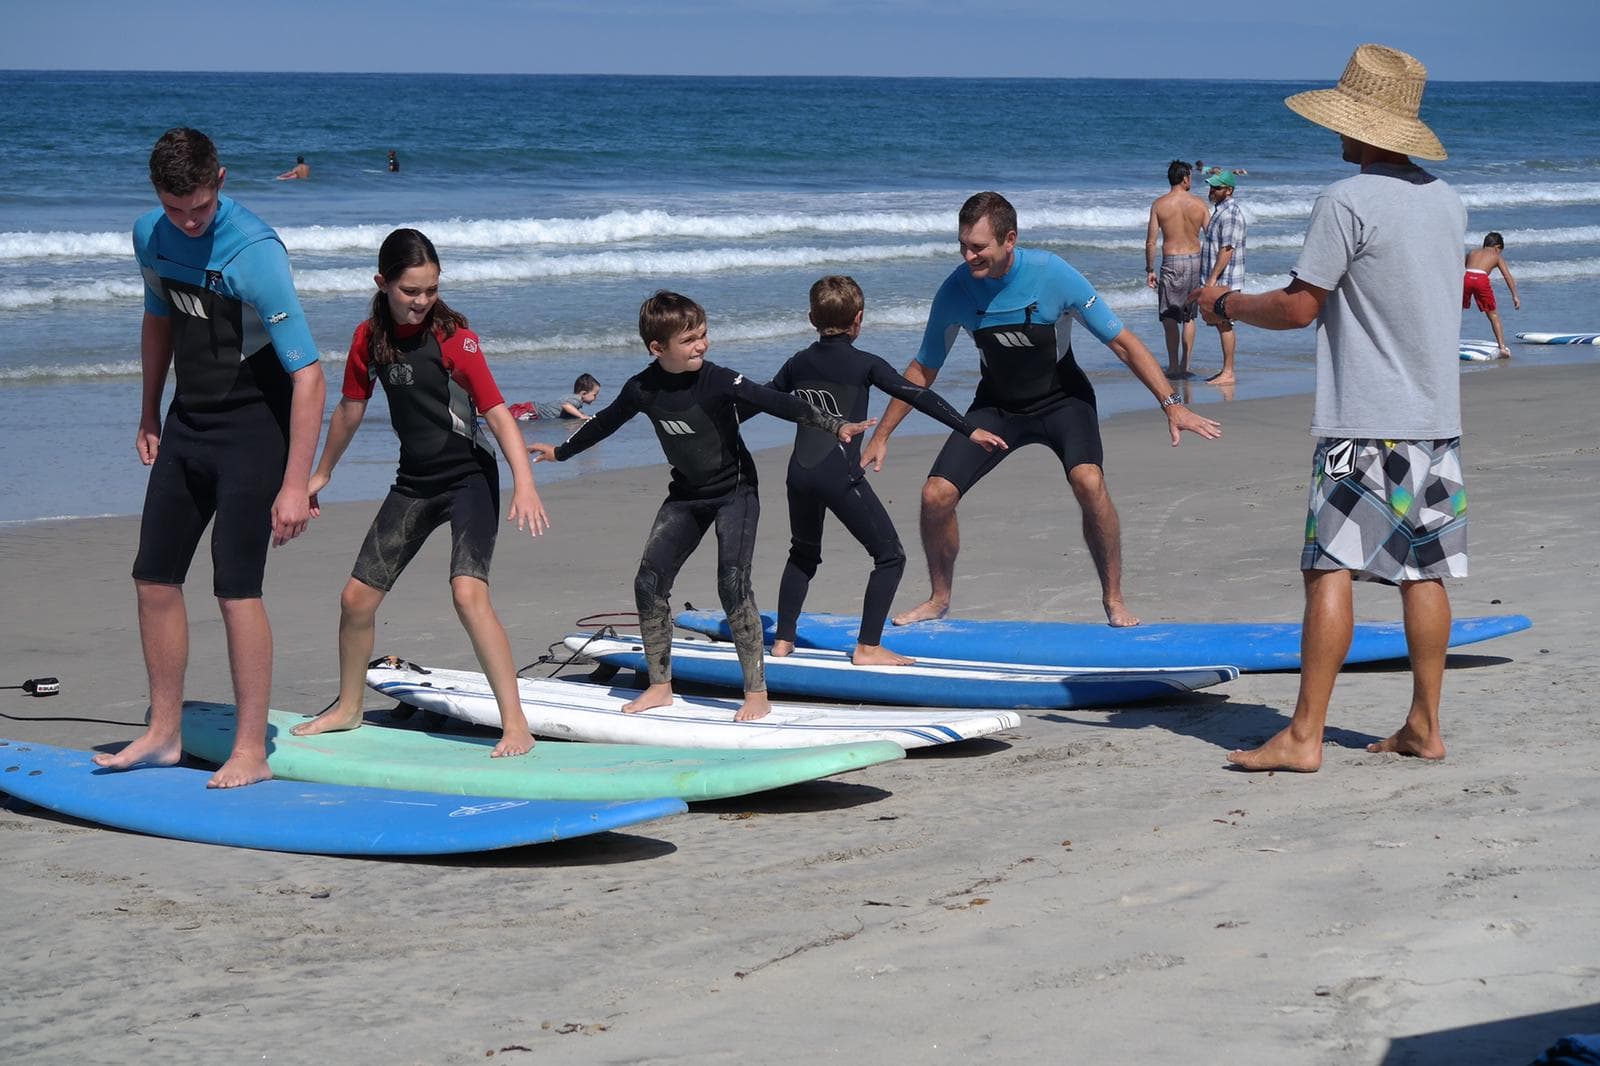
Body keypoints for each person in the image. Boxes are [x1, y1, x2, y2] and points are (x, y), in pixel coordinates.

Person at [1194, 43, 1468, 772]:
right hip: (1435, 420)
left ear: (1361, 125)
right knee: (1424, 572)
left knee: (1329, 568)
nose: (1335, 130)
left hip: (1362, 421)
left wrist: (1225, 302)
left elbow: (1297, 308)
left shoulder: (1346, 200)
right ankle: (1425, 725)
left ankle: (1305, 735)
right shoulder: (1446, 200)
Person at [860, 191, 1222, 629]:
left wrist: (1172, 405)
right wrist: (882, 434)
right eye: (963, 245)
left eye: (978, 247)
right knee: (935, 495)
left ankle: (1114, 598)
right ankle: (939, 598)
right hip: (997, 406)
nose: (968, 256)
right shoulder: (956, 289)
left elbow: (1122, 343)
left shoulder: (1052, 274)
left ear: (1009, 240)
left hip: (1062, 399)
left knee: (1089, 481)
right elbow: (923, 368)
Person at [94, 127, 325, 788]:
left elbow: (309, 375)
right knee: (153, 578)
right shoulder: (150, 234)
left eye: (199, 207)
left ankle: (251, 750)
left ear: (219, 181)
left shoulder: (256, 252)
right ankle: (164, 734)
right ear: (156, 194)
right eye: (175, 209)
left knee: (235, 589)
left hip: (254, 427)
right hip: (188, 420)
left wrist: (295, 483)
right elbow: (157, 319)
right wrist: (148, 410)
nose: (189, 222)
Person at [530, 291, 873, 721]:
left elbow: (777, 401)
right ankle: (660, 686)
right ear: (658, 348)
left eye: (704, 335)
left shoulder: (718, 380)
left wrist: (834, 425)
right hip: (687, 494)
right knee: (648, 583)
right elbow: (604, 423)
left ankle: (756, 693)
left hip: (735, 491)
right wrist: (560, 453)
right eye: (690, 339)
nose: (702, 345)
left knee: (732, 584)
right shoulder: (642, 388)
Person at [291, 229, 549, 757]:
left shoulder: (456, 338)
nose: (422, 300)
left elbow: (497, 413)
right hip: (414, 482)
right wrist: (322, 473)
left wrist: (524, 482)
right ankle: (348, 707)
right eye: (411, 290)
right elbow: (350, 409)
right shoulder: (369, 338)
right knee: (355, 599)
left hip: (469, 478)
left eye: (431, 289)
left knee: (467, 593)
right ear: (382, 283)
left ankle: (516, 723)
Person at [767, 276, 1007, 666]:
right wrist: (969, 429)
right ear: (859, 319)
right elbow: (917, 394)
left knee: (803, 553)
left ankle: (782, 640)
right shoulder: (865, 363)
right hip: (837, 475)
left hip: (799, 475)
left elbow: (761, 397)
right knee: (889, 556)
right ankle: (868, 647)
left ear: (812, 318)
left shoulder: (797, 362)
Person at [1145, 160, 1210, 379]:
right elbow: (1211, 236)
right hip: (1195, 260)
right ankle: (1185, 365)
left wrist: (1149, 269)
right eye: (1190, 176)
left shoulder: (1159, 204)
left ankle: (1173, 366)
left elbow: (1151, 242)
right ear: (1184, 178)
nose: (1191, 180)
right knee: (1189, 316)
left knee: (1170, 315)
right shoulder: (1199, 204)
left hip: (1172, 261)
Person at [1199, 169, 1246, 386]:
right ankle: (1226, 370)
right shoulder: (1220, 211)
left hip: (1225, 280)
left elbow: (1227, 250)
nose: (1212, 191)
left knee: (1225, 324)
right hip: (1220, 278)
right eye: (1211, 187)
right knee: (1221, 324)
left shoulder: (1230, 214)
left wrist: (1211, 280)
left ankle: (1228, 372)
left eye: (1216, 188)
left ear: (1229, 190)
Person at [1463, 232, 1521, 357]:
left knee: (1457, 312)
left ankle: (1446, 340)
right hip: (1481, 279)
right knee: (1493, 315)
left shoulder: (1472, 252)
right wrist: (1515, 295)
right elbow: (1507, 276)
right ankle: (1502, 347)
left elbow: (1459, 268)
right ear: (1497, 247)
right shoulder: (1496, 256)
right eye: (1500, 251)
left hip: (1466, 277)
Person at [508, 373, 601, 422]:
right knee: (510, 419)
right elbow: (565, 405)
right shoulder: (576, 400)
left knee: (508, 415)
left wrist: (580, 414)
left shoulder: (573, 398)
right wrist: (581, 416)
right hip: (534, 412)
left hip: (534, 408)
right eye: (594, 395)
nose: (595, 398)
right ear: (584, 393)